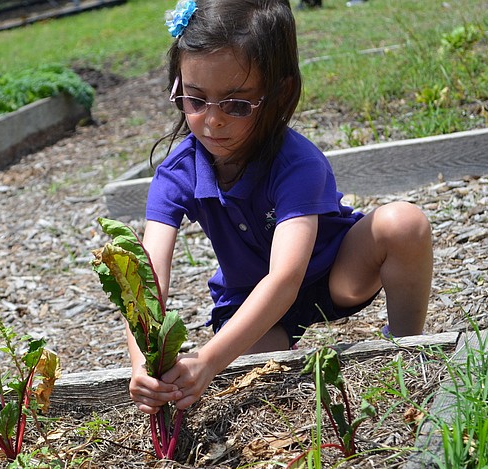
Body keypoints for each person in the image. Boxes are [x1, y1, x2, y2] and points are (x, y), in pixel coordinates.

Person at [127, 0, 433, 416]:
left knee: (404, 223)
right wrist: (142, 363)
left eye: (236, 105)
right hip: (251, 300)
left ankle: (407, 349)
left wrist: (208, 360)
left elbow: (287, 277)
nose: (212, 121)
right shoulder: (177, 173)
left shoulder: (297, 163)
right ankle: (273, 341)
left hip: (332, 276)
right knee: (267, 380)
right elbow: (145, 284)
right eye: (195, 100)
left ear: (280, 93)